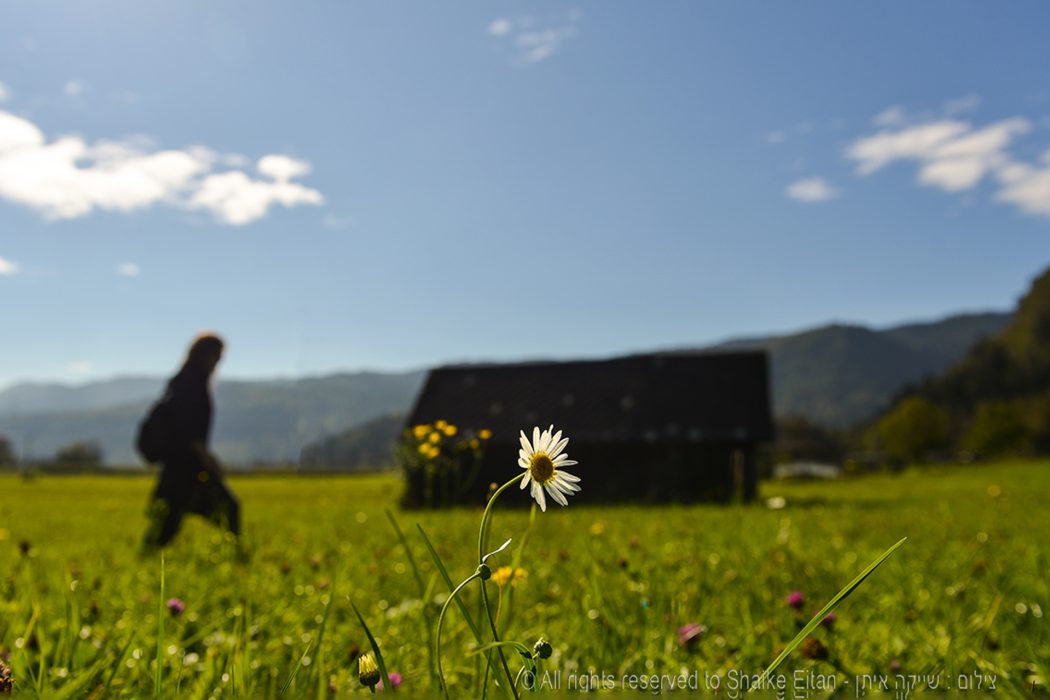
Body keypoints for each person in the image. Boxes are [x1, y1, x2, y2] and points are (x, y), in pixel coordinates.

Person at [143, 332, 241, 549]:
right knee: (229, 509)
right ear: (206, 354)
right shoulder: (193, 385)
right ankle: (237, 558)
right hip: (188, 467)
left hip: (178, 467)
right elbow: (190, 432)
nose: (219, 361)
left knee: (166, 524)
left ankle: (237, 556)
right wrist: (208, 459)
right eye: (218, 355)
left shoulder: (182, 381)